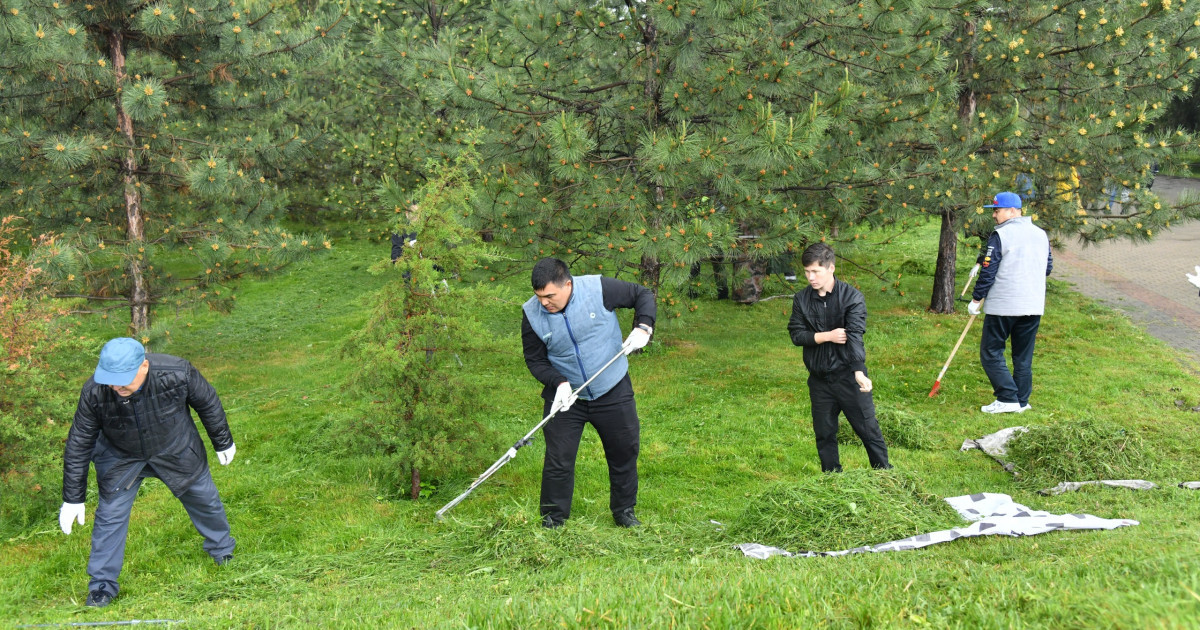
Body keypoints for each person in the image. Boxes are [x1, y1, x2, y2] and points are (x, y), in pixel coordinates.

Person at [59, 338, 237, 607]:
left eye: (122, 380)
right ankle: (102, 587)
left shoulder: (177, 372)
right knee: (109, 518)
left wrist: (222, 440)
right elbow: (80, 441)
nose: (115, 387)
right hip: (120, 457)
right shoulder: (95, 391)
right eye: (110, 380)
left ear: (144, 366)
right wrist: (73, 497)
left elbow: (208, 402)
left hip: (175, 448)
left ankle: (222, 549)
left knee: (204, 499)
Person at [521, 258, 656, 529]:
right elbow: (535, 360)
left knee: (624, 450)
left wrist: (644, 327)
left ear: (567, 284)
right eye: (540, 297)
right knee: (558, 459)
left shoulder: (598, 289)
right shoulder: (531, 314)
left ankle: (624, 511)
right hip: (565, 397)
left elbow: (642, 294)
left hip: (612, 386)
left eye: (550, 296)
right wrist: (558, 382)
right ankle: (552, 519)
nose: (544, 303)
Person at [787, 243, 890, 472]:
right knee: (824, 434)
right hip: (819, 380)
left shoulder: (852, 298)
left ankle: (884, 476)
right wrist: (828, 336)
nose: (810, 277)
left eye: (815, 271)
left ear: (831, 268)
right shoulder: (802, 299)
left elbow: (854, 336)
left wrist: (858, 372)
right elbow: (796, 335)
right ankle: (832, 479)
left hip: (848, 379)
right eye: (806, 272)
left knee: (868, 430)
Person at [968, 191, 1053, 414]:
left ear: (1014, 211)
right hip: (1033, 305)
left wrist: (976, 299)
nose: (994, 216)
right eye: (993, 211)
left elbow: (988, 270)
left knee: (991, 351)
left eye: (997, 210)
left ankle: (1007, 398)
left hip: (1004, 306)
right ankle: (1021, 401)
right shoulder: (1041, 234)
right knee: (1022, 356)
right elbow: (1048, 267)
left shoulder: (1001, 236)